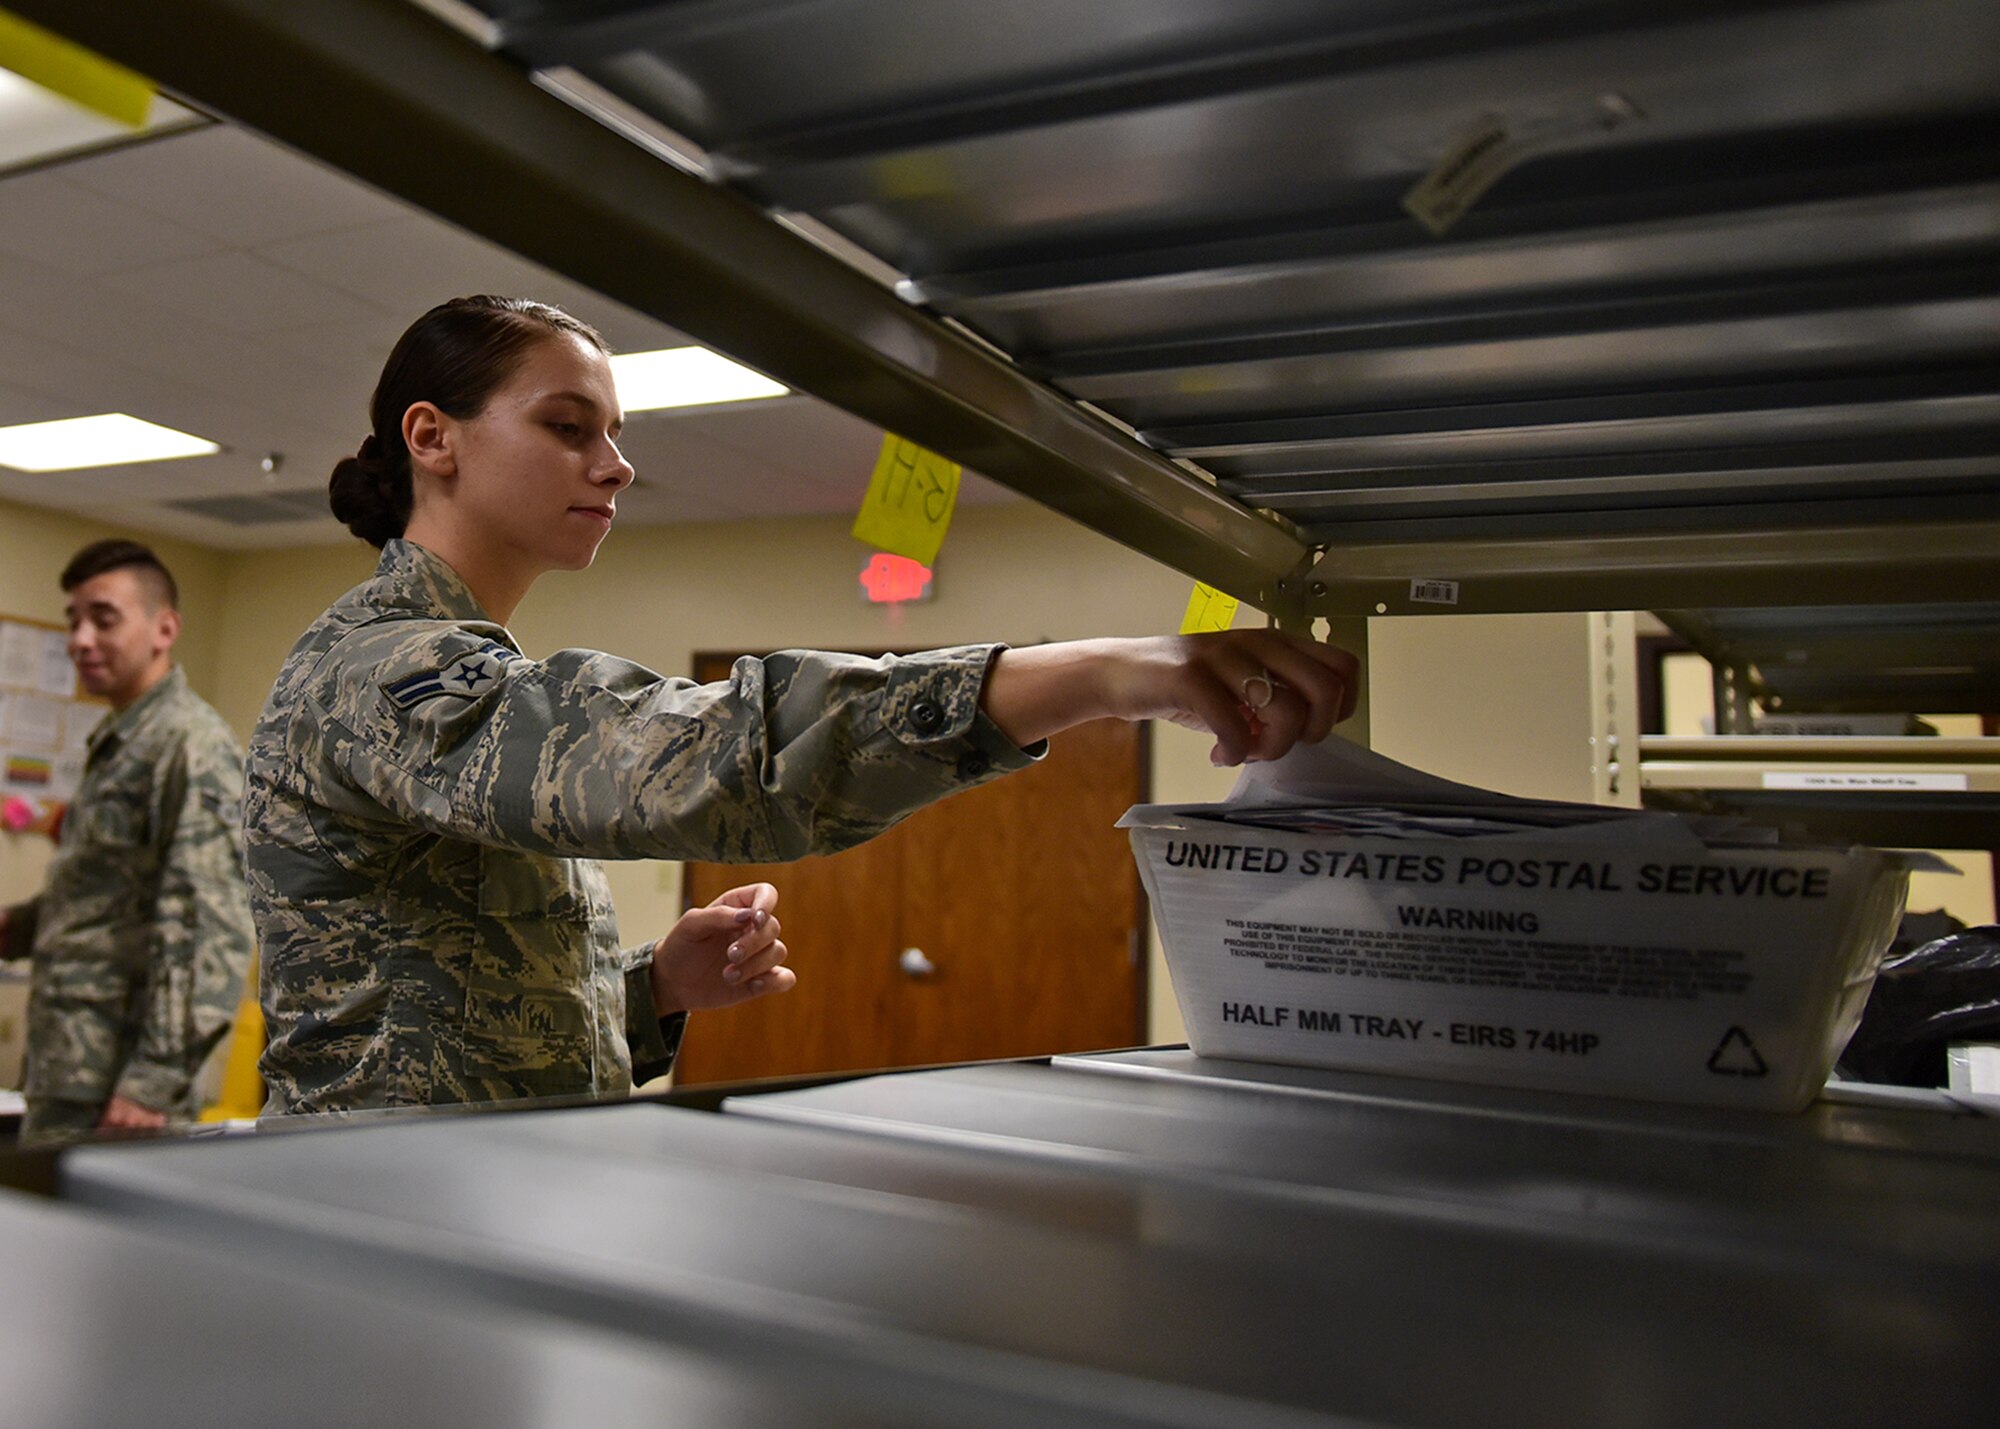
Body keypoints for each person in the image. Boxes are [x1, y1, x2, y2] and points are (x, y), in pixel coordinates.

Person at [248, 295, 1358, 1117]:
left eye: (617, 433)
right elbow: (699, 761)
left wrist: (652, 992)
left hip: (467, 1197)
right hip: (379, 1206)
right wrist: (1103, 673)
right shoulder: (380, 670)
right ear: (432, 438)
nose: (617, 465)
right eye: (569, 427)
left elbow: (427, 1013)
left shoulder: (455, 666)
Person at [0, 541, 254, 1147]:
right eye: (73, 620)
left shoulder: (188, 745)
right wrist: (17, 925)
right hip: (70, 1068)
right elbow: (104, 896)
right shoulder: (121, 741)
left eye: (103, 618)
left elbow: (208, 923)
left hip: (122, 1088)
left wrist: (152, 1083)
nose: (80, 639)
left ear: (164, 628)